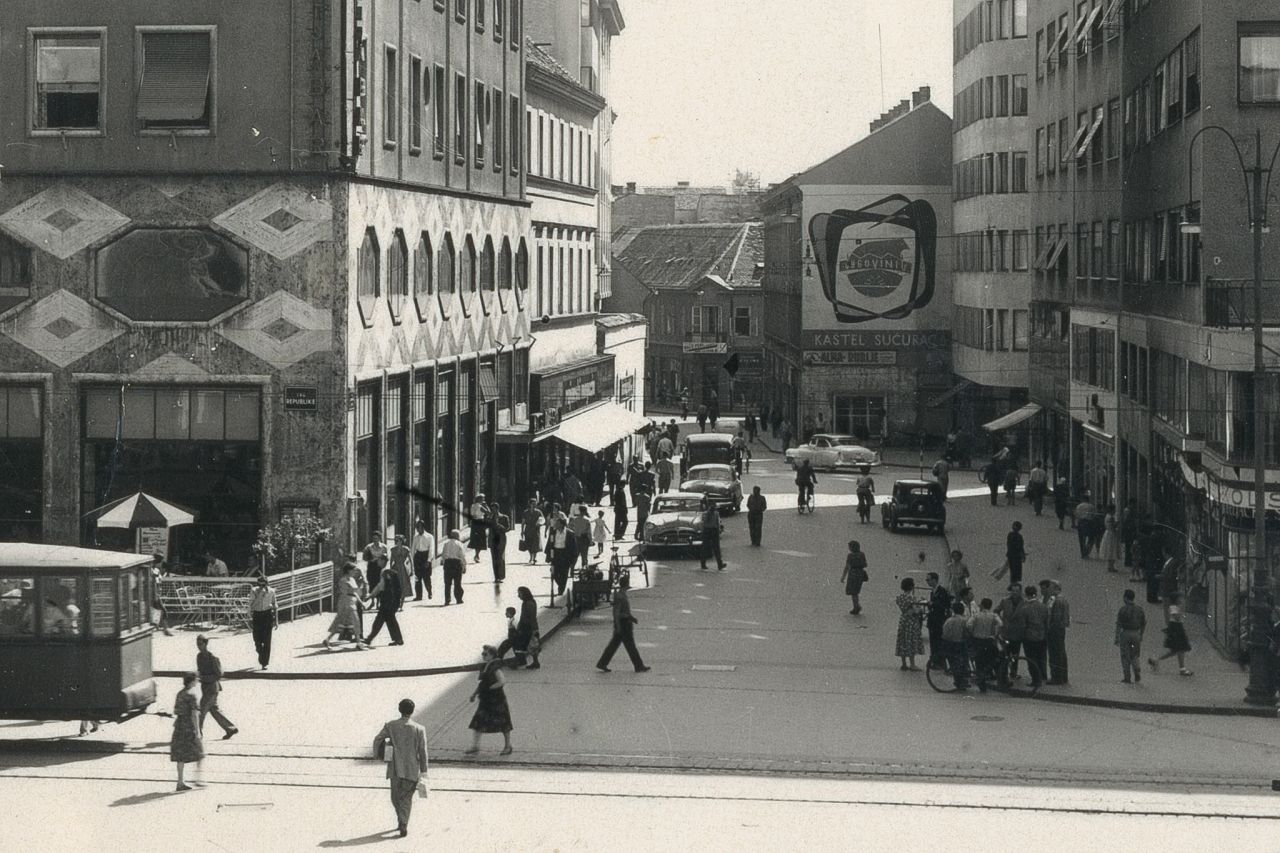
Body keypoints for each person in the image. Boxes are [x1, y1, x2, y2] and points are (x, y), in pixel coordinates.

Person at [374, 698, 429, 838]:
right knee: (406, 798)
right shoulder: (419, 729)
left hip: (395, 769)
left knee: (395, 797)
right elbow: (423, 752)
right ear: (412, 711)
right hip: (411, 769)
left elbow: (378, 739)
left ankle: (402, 821)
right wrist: (424, 771)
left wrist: (379, 754)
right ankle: (403, 822)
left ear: (400, 709)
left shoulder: (390, 726)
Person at [596, 573, 650, 673]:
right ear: (626, 584)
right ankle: (638, 665)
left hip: (625, 622)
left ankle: (602, 663)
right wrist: (618, 625)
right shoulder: (620, 596)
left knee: (614, 645)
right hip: (624, 624)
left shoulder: (622, 595)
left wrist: (631, 618)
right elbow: (617, 612)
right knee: (630, 646)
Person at [467, 645, 514, 756]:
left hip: (496, 699)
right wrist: (474, 694)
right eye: (482, 653)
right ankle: (475, 746)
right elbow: (482, 683)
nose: (483, 655)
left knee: (503, 723)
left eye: (485, 654)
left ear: (492, 655)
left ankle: (508, 746)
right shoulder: (485, 666)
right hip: (486, 700)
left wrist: (491, 688)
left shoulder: (495, 667)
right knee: (478, 721)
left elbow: (502, 681)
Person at [195, 636, 238, 740]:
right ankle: (230, 728)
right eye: (197, 644)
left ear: (206, 644)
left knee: (201, 711)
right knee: (214, 710)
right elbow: (200, 670)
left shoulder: (213, 658)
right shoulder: (199, 657)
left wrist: (204, 677)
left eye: (200, 644)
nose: (199, 646)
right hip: (205, 687)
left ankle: (197, 734)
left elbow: (219, 675)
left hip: (212, 688)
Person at [170, 672, 204, 792]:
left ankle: (180, 782)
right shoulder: (192, 695)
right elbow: (195, 714)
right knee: (200, 752)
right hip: (189, 726)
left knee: (180, 754)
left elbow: (176, 710)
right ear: (192, 681)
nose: (197, 681)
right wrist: (198, 731)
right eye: (196, 679)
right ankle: (198, 779)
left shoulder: (180, 693)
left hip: (179, 725)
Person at [1011, 586, 1049, 688]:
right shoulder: (1044, 607)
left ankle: (1036, 680)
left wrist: (1021, 636)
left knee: (1031, 659)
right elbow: (1047, 623)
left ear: (1026, 594)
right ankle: (1043, 676)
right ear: (1036, 593)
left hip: (1029, 637)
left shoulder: (1025, 609)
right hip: (1041, 636)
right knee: (1041, 657)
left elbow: (1022, 625)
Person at [324, 563, 368, 649]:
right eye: (353, 570)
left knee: (341, 622)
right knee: (355, 621)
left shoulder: (352, 579)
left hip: (352, 602)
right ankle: (359, 643)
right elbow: (347, 592)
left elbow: (355, 592)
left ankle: (327, 639)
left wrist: (361, 603)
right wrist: (357, 590)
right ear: (348, 570)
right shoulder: (343, 580)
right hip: (346, 603)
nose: (355, 572)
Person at [1149, 594, 1193, 676]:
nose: (1182, 600)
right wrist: (1181, 609)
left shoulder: (1174, 607)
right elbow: (1177, 617)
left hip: (1177, 627)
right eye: (1180, 599)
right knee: (1179, 648)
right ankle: (1182, 668)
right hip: (1176, 628)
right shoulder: (1174, 607)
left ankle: (1156, 660)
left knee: (1176, 650)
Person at [366, 561, 405, 646]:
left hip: (388, 601)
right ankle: (398, 639)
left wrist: (371, 596)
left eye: (380, 560)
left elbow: (381, 586)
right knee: (390, 620)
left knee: (380, 620)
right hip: (393, 601)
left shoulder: (385, 571)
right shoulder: (389, 571)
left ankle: (370, 638)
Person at [967, 598, 1002, 692]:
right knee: (995, 658)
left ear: (982, 605)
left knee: (979, 662)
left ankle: (982, 685)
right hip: (988, 640)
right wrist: (995, 635)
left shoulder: (976, 615)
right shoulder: (993, 615)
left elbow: (969, 625)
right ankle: (997, 677)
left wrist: (973, 633)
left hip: (977, 641)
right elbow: (1000, 624)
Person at [1115, 588, 1147, 684]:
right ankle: (1136, 668)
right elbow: (1144, 623)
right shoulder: (1139, 609)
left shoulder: (1122, 610)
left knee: (1125, 656)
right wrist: (1141, 634)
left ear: (1125, 598)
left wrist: (1117, 637)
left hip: (1125, 633)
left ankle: (1127, 677)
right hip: (1136, 634)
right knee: (1135, 654)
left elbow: (1118, 624)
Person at [995, 584, 1025, 681]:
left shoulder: (1024, 602)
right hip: (1006, 632)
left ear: (1020, 591)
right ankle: (1004, 673)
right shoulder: (1005, 601)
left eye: (1017, 591)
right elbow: (996, 611)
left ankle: (1013, 673)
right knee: (1005, 654)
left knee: (1015, 654)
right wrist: (1001, 621)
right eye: (1013, 591)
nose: (1014, 593)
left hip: (1018, 632)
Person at [248, 575, 278, 670]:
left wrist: (276, 621)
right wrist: (249, 618)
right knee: (257, 639)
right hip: (257, 615)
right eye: (260, 585)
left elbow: (275, 606)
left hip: (267, 615)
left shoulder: (271, 592)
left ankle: (264, 662)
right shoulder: (254, 591)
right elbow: (250, 605)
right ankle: (260, 652)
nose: (262, 587)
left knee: (267, 640)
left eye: (264, 585)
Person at [895, 577, 925, 671]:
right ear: (911, 586)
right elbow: (913, 611)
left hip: (903, 620)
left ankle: (903, 663)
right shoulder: (911, 597)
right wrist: (920, 608)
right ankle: (912, 664)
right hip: (911, 621)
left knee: (903, 640)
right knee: (911, 640)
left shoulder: (900, 597)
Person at [1044, 580, 1071, 685]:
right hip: (1060, 629)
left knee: (1055, 653)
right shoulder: (1063, 599)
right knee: (1061, 652)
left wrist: (1049, 627)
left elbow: (1056, 617)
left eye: (1050, 587)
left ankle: (1056, 677)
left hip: (1055, 630)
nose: (1048, 589)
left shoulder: (1057, 601)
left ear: (1055, 588)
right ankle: (1063, 676)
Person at [925, 572, 953, 668]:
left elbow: (944, 606)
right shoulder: (933, 591)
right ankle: (935, 661)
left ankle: (939, 661)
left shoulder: (942, 591)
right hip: (933, 621)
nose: (927, 582)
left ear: (934, 580)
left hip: (938, 621)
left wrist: (931, 604)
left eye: (928, 580)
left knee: (938, 642)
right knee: (933, 642)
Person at [941, 602, 972, 689]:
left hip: (950, 644)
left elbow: (945, 633)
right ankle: (963, 680)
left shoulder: (949, 620)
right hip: (961, 644)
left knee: (953, 662)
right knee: (964, 662)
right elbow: (968, 632)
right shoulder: (965, 620)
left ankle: (958, 680)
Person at [546, 517, 577, 598]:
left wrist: (573, 558)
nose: (556, 525)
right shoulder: (553, 532)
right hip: (555, 553)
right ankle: (561, 584)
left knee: (564, 573)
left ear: (562, 525)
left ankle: (561, 589)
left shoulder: (570, 533)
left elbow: (574, 547)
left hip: (565, 554)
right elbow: (549, 543)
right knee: (554, 572)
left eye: (558, 523)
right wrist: (548, 556)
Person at [513, 586, 541, 669]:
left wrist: (534, 629)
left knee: (523, 644)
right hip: (525, 626)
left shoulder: (529, 604)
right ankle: (534, 662)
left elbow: (532, 618)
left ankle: (522, 662)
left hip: (527, 627)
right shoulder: (527, 602)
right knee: (530, 645)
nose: (518, 596)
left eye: (520, 594)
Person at [840, 540, 869, 615]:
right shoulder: (862, 554)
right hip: (860, 574)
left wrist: (843, 576)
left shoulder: (850, 556)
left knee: (853, 592)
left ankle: (856, 607)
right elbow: (865, 564)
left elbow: (847, 566)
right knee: (856, 591)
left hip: (852, 574)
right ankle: (857, 606)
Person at [698, 497, 726, 571]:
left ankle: (720, 564)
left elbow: (717, 522)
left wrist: (718, 529)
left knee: (717, 548)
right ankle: (703, 563)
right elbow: (704, 523)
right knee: (705, 547)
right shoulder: (706, 514)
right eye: (712, 506)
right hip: (708, 530)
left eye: (714, 506)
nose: (714, 508)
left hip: (714, 530)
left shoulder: (716, 513)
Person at [441, 529, 467, 605]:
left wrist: (444, 563)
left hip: (448, 563)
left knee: (447, 583)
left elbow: (443, 555)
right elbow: (462, 556)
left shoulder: (446, 544)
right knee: (457, 582)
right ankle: (458, 599)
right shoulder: (459, 544)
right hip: (456, 564)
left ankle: (447, 599)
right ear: (457, 536)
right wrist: (464, 566)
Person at [411, 520, 436, 601]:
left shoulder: (430, 537)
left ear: (423, 527)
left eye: (419, 527)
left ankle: (429, 592)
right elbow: (413, 549)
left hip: (425, 556)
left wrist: (429, 560)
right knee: (417, 577)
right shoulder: (415, 537)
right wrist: (412, 560)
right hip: (418, 557)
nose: (418, 529)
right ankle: (419, 595)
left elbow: (431, 549)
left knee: (426, 577)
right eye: (417, 527)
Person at [388, 534, 413, 610]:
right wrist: (390, 569)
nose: (397, 542)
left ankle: (401, 604)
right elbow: (391, 560)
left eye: (399, 540)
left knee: (403, 585)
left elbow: (410, 560)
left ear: (402, 541)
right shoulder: (393, 549)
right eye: (396, 540)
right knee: (395, 586)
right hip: (395, 568)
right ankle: (397, 602)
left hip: (403, 569)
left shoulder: (406, 549)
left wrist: (412, 569)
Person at [488, 504, 509, 584]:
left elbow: (507, 528)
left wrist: (499, 526)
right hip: (492, 539)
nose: (493, 511)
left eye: (494, 509)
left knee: (500, 557)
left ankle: (501, 576)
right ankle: (496, 577)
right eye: (492, 509)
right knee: (494, 558)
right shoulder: (490, 518)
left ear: (497, 509)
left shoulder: (504, 517)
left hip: (501, 539)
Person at [520, 500, 543, 565]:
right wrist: (522, 531)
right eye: (532, 503)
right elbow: (523, 522)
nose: (534, 505)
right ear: (529, 504)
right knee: (529, 544)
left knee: (535, 544)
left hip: (536, 530)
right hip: (528, 530)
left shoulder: (538, 512)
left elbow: (542, 520)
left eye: (535, 504)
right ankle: (531, 557)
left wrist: (539, 523)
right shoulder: (526, 512)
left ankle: (534, 558)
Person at [1075, 493, 1097, 559]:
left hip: (1081, 522)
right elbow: (1093, 515)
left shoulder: (1079, 506)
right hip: (1089, 522)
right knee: (1091, 538)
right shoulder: (1091, 506)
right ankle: (1087, 551)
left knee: (1082, 539)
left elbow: (1076, 515)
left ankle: (1083, 553)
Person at [1100, 506, 1121, 572]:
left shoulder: (1107, 516)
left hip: (1107, 533)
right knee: (1112, 549)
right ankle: (1111, 566)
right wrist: (1117, 523)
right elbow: (1113, 526)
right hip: (1112, 534)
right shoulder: (1111, 517)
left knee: (1109, 549)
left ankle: (1109, 566)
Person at [468, 494, 489, 562]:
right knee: (481, 539)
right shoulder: (480, 506)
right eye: (483, 498)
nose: (483, 500)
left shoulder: (473, 505)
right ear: (480, 499)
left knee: (476, 539)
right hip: (480, 522)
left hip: (474, 523)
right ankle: (477, 555)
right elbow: (489, 512)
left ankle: (476, 555)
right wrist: (486, 506)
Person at [1005, 521, 1026, 587]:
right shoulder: (1015, 535)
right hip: (1014, 555)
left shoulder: (1013, 535)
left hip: (1014, 555)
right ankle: (1013, 583)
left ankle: (1013, 583)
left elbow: (1020, 546)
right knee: (1014, 569)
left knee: (1014, 570)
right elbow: (1020, 546)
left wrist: (1023, 555)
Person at [1121, 498, 1140, 568]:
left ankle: (1128, 561)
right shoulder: (1128, 511)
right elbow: (1126, 521)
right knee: (1129, 546)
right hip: (1129, 531)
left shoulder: (1129, 510)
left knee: (1129, 546)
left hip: (1129, 530)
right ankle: (1128, 561)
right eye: (1134, 504)